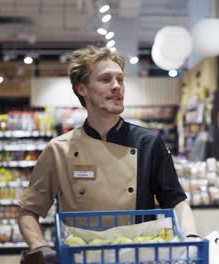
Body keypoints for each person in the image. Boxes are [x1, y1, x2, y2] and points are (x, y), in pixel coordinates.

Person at [18, 46, 198, 263]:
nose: (116, 86)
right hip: (80, 257)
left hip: (139, 257)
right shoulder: (59, 150)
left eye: (120, 79)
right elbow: (28, 211)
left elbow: (177, 201)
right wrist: (40, 247)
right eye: (105, 79)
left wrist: (191, 238)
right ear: (82, 89)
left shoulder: (149, 143)